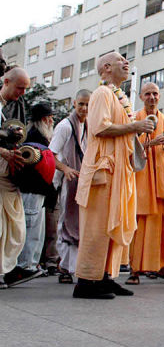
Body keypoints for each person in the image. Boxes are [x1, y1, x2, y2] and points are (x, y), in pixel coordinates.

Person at [73, 53, 156, 299]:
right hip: (104, 171)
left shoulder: (118, 97)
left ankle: (105, 277)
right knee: (97, 227)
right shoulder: (101, 94)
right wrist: (135, 126)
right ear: (107, 68)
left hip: (120, 171)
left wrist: (138, 130)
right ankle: (86, 282)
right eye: (121, 59)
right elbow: (100, 127)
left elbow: (123, 132)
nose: (126, 62)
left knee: (115, 224)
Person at [125, 83, 164, 285]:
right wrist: (151, 143)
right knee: (139, 224)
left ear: (159, 96)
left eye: (155, 93)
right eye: (148, 94)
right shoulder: (135, 118)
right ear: (141, 97)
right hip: (142, 177)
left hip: (163, 178)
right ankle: (134, 269)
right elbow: (129, 149)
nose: (152, 97)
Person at [0, 67, 35, 288]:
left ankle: (7, 269)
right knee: (3, 227)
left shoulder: (6, 109)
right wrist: (4, 152)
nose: (22, 93)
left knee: (15, 227)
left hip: (8, 174)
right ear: (6, 82)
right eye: (20, 87)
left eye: (25, 89)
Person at [50, 90, 90, 283]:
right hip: (68, 179)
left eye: (88, 105)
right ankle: (64, 267)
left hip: (82, 180)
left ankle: (74, 266)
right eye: (81, 104)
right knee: (66, 222)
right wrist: (65, 168)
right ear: (74, 103)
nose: (84, 108)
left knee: (80, 223)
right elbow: (50, 154)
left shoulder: (88, 126)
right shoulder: (65, 126)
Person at [15, 102, 56, 275]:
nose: (52, 121)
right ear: (46, 119)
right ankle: (26, 264)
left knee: (36, 229)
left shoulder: (36, 135)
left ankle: (32, 263)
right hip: (31, 189)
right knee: (30, 228)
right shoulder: (34, 137)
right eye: (51, 117)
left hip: (37, 190)